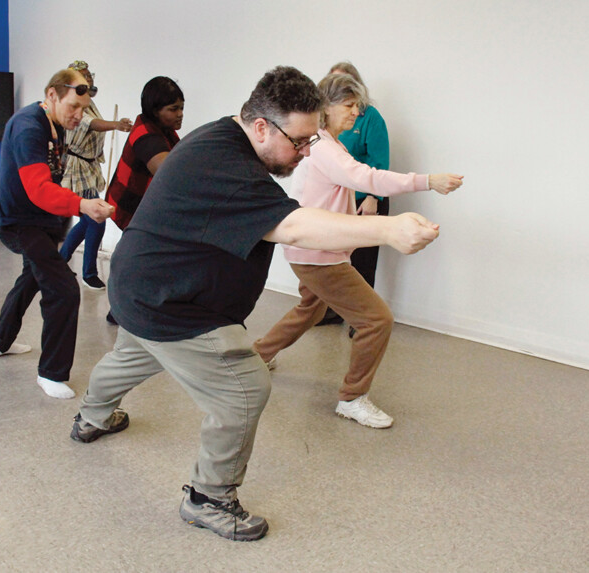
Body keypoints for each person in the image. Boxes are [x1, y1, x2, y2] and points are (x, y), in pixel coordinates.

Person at [71, 66, 441, 541]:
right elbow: (294, 226)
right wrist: (387, 230)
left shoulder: (221, 135)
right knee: (243, 387)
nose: (306, 152)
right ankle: (208, 498)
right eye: (301, 141)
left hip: (140, 284)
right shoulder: (231, 169)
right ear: (262, 125)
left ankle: (91, 416)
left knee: (132, 355)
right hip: (171, 302)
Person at [253, 73, 463, 429]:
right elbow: (368, 178)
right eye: (349, 106)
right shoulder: (322, 147)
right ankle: (352, 398)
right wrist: (427, 181)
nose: (355, 114)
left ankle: (257, 356)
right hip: (319, 255)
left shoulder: (328, 144)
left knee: (311, 308)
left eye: (358, 107)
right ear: (327, 107)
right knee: (377, 320)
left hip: (312, 250)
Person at [0, 69, 114, 400]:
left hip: (39, 221)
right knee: (64, 289)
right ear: (52, 95)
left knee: (32, 275)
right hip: (20, 222)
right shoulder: (29, 127)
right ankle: (51, 374)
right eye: (73, 106)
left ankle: (0, 341)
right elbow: (39, 189)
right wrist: (83, 205)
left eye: (83, 109)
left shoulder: (54, 124)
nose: (78, 115)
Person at [316, 62, 393, 329]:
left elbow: (379, 162)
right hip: (339, 200)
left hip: (367, 199)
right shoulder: (322, 124)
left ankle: (361, 319)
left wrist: (373, 197)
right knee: (335, 261)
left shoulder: (370, 117)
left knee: (362, 262)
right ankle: (333, 311)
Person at [59, 61, 132, 290]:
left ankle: (59, 263)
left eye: (89, 76)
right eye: (83, 77)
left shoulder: (88, 102)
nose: (88, 80)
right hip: (76, 168)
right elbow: (91, 124)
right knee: (96, 219)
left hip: (88, 167)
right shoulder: (73, 106)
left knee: (87, 220)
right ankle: (88, 272)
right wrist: (116, 125)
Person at [105, 76, 183, 230]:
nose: (180, 114)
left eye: (181, 108)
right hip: (130, 209)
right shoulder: (146, 135)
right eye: (173, 109)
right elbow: (170, 174)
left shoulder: (163, 129)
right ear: (155, 111)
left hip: (138, 209)